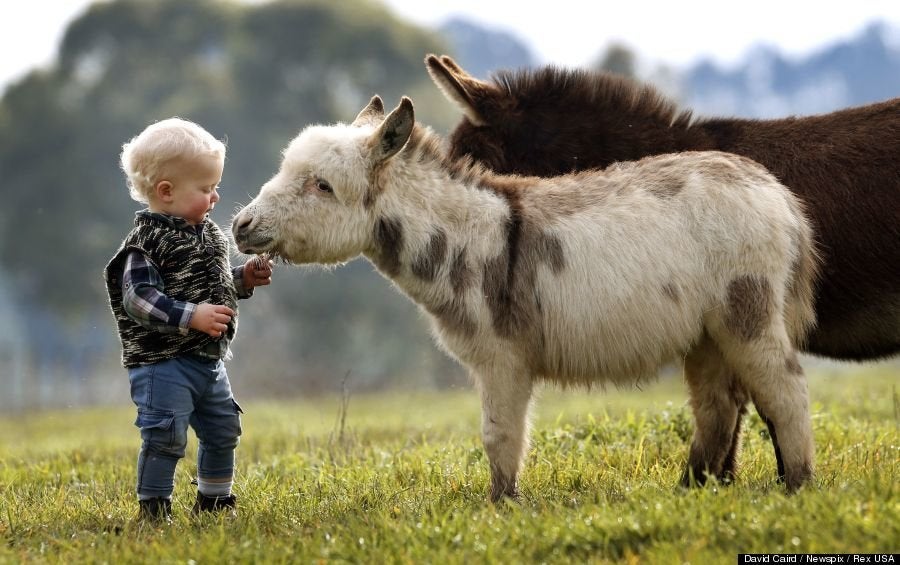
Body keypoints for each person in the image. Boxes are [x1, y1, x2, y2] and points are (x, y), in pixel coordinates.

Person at [103, 117, 273, 523]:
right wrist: (191, 316)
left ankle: (214, 501)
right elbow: (139, 300)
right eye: (206, 188)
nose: (215, 197)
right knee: (165, 436)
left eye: (215, 187)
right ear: (166, 191)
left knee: (223, 429)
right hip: (162, 365)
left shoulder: (208, 234)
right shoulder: (144, 244)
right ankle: (154, 509)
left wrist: (242, 279)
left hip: (208, 361)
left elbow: (211, 286)